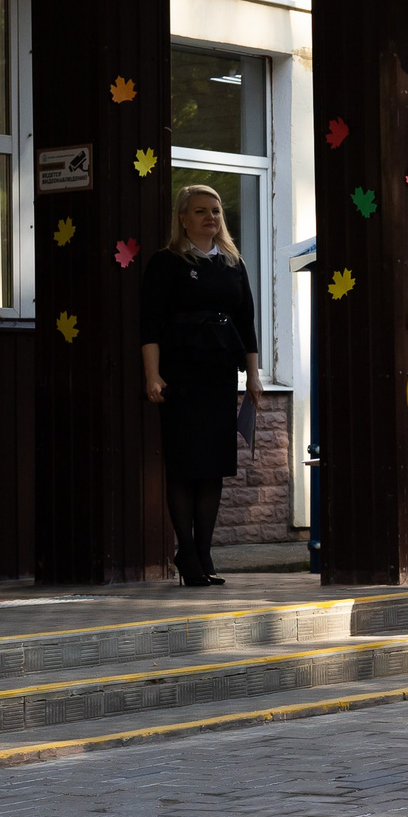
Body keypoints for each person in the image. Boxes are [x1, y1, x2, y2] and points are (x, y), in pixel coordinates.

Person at [140, 183, 262, 588]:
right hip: (180, 373)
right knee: (184, 464)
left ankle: (204, 552)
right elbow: (150, 324)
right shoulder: (166, 262)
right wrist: (152, 374)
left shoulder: (232, 263)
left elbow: (247, 322)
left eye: (216, 211)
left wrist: (254, 376)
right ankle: (186, 552)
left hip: (219, 374)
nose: (210, 217)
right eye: (200, 211)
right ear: (182, 218)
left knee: (213, 465)